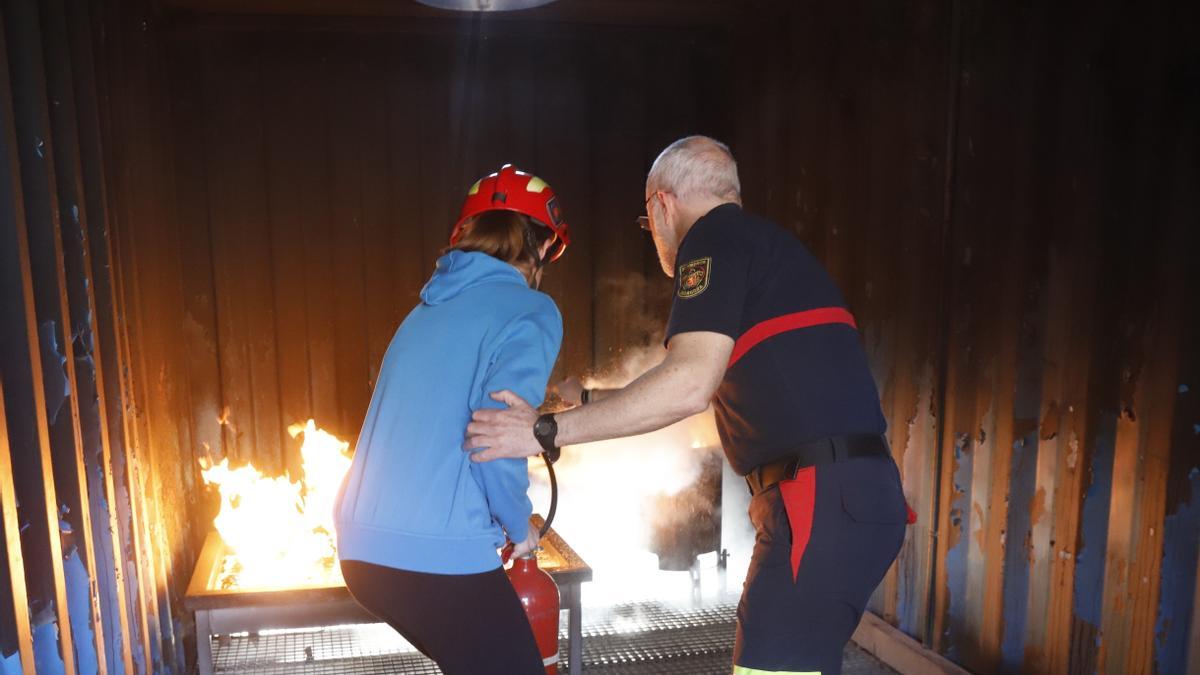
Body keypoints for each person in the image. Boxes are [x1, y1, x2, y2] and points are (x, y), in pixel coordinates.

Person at [465, 138, 909, 675]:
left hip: (818, 502)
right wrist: (588, 400)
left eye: (646, 221)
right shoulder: (764, 247)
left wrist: (543, 431)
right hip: (846, 498)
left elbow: (686, 387)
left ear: (661, 206)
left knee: (770, 668)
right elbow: (708, 390)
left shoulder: (713, 239)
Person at [334, 164, 569, 675]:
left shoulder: (423, 311)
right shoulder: (532, 311)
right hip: (435, 557)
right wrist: (517, 522)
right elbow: (497, 435)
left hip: (362, 552)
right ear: (544, 247)